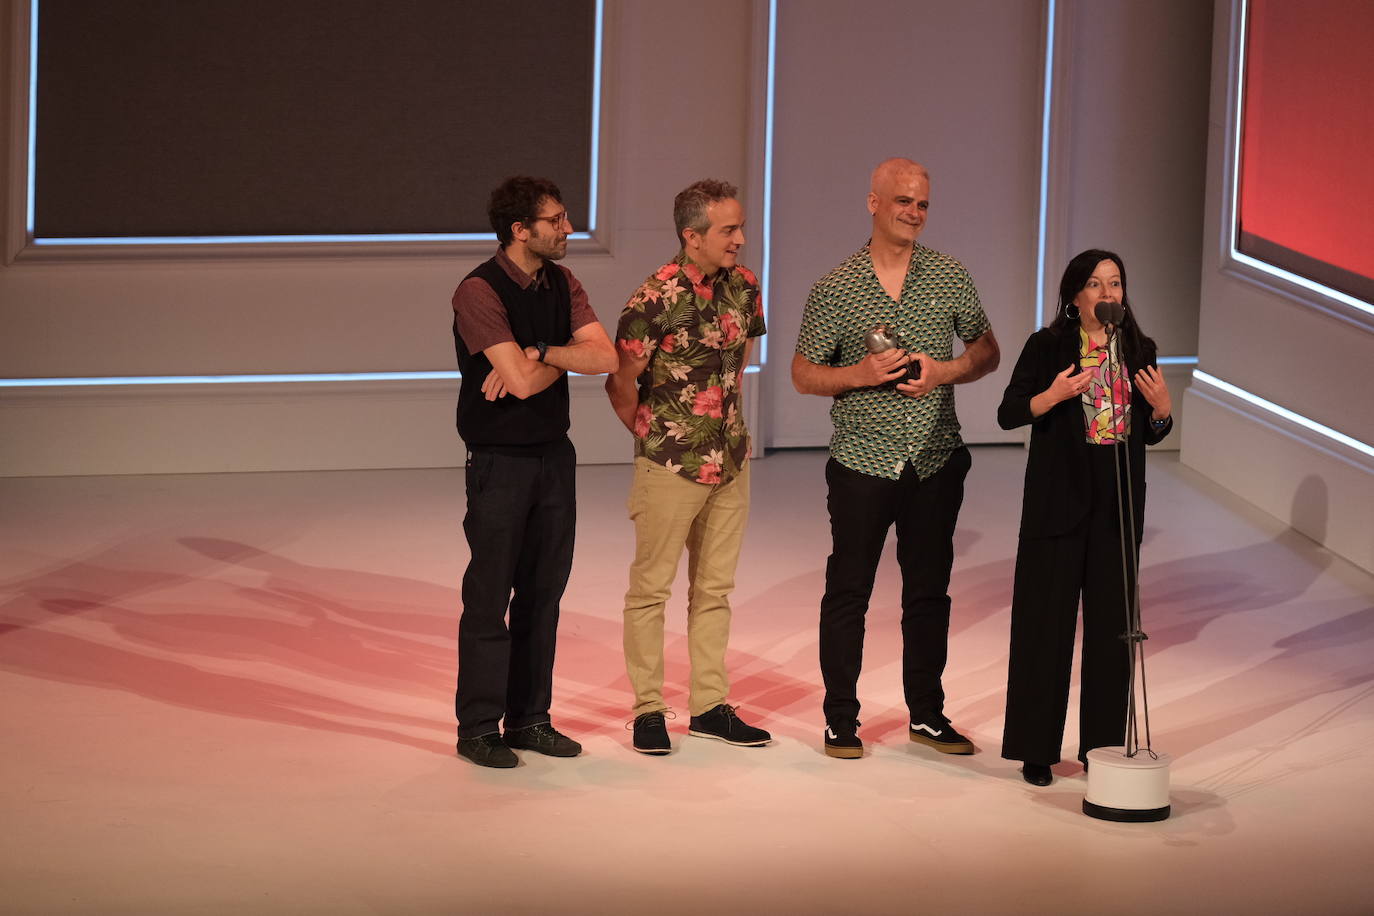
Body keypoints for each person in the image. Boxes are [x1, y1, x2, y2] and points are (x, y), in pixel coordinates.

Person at [792, 158, 1000, 759]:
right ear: (873, 203)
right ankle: (840, 720)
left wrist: (946, 370)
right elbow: (803, 373)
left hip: (934, 458)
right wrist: (858, 374)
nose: (914, 213)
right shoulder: (836, 286)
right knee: (849, 590)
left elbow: (986, 351)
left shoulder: (948, 276)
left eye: (923, 204)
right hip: (863, 460)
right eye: (903, 201)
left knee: (928, 591)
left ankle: (927, 714)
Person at [450, 176, 617, 768]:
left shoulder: (563, 281)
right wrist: (544, 361)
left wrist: (540, 351)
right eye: (557, 219)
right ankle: (477, 728)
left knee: (544, 595)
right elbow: (516, 384)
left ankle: (529, 719)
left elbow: (605, 355)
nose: (567, 228)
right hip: (499, 462)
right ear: (521, 230)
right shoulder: (478, 291)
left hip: (554, 457)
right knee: (490, 595)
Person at [605, 179, 771, 755]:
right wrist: (656, 437)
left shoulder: (745, 287)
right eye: (729, 230)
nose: (741, 240)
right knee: (651, 589)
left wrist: (720, 431)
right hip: (670, 465)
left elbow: (739, 361)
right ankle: (649, 710)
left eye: (740, 227)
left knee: (715, 589)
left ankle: (709, 706)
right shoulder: (653, 298)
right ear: (691, 235)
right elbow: (621, 383)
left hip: (729, 460)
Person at [998, 249, 1173, 786]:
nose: (1107, 293)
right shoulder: (1047, 345)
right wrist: (1050, 396)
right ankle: (1036, 749)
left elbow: (1151, 428)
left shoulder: (1139, 349)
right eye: (1095, 284)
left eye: (1115, 283)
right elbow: (1009, 413)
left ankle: (1102, 749)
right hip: (1058, 503)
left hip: (1117, 506)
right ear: (1075, 296)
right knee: (1044, 627)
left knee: (1113, 634)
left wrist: (1163, 408)